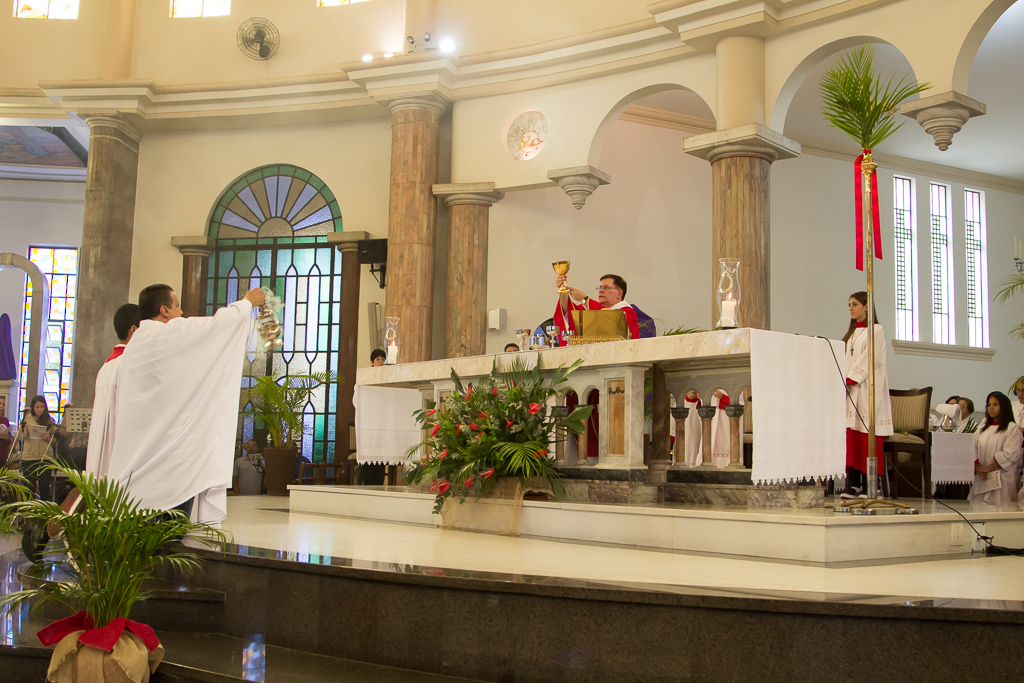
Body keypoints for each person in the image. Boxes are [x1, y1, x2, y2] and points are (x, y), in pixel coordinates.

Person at [104, 283, 264, 523]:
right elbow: (218, 325)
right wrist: (248, 302)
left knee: (139, 529)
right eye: (177, 306)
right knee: (168, 532)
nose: (181, 312)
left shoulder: (137, 344)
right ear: (164, 310)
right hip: (168, 459)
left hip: (136, 453)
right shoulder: (169, 333)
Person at [840, 291, 893, 499]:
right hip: (851, 389)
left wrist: (851, 379)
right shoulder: (851, 334)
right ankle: (853, 484)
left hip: (868, 388)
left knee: (867, 434)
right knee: (853, 436)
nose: (851, 308)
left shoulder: (876, 330)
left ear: (866, 307)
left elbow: (871, 357)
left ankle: (872, 485)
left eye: (855, 304)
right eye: (849, 304)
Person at [86, 303, 141, 477]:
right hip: (120, 455)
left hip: (101, 455)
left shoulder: (106, 366)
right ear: (134, 330)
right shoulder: (129, 364)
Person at [552, 273, 648, 343]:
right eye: (600, 287)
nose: (601, 291)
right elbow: (568, 314)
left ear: (619, 293)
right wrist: (563, 290)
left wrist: (584, 299)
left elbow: (610, 321)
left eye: (606, 287)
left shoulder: (628, 313)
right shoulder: (592, 310)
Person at [969, 391, 1022, 506]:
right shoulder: (981, 429)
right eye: (989, 405)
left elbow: (1010, 453)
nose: (991, 408)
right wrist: (979, 468)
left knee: (1001, 508)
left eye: (995, 404)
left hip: (1002, 476)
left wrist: (988, 468)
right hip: (982, 476)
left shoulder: (1012, 428)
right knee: (978, 508)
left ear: (1004, 407)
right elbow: (973, 449)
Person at [17, 396, 57, 500]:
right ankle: (29, 507)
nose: (40, 409)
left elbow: (55, 442)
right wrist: (24, 421)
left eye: (42, 407)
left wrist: (47, 438)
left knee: (44, 485)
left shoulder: (49, 420)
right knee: (29, 485)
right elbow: (21, 437)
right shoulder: (27, 419)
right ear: (33, 407)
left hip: (46, 456)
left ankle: (44, 507)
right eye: (37, 407)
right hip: (30, 456)